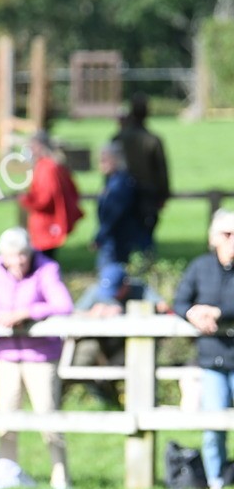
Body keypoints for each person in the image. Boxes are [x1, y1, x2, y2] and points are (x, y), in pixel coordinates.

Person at [0, 227, 75, 489]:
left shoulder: (46, 268)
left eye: (22, 256)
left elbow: (63, 305)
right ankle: (7, 474)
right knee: (6, 419)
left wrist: (27, 312)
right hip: (7, 355)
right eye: (11, 257)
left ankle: (60, 477)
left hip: (40, 356)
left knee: (47, 417)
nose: (17, 262)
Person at [173, 208, 234, 489]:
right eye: (227, 234)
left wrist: (219, 313)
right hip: (211, 359)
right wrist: (193, 314)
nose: (232, 240)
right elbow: (180, 301)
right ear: (214, 238)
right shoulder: (200, 267)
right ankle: (216, 482)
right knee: (213, 425)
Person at [71, 262, 170, 407]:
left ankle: (137, 406)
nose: (113, 295)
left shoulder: (139, 288)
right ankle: (108, 403)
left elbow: (163, 307)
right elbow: (73, 314)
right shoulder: (97, 290)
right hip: (103, 343)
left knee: (136, 367)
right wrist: (93, 314)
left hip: (130, 344)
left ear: (126, 284)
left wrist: (124, 314)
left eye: (116, 290)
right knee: (83, 364)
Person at [113, 93, 170, 254]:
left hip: (123, 197)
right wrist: (163, 195)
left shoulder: (119, 138)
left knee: (125, 241)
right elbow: (161, 172)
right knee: (145, 242)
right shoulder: (153, 140)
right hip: (147, 198)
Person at [18, 130, 83, 260]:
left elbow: (45, 198)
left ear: (39, 146)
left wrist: (26, 199)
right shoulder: (54, 165)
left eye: (32, 147)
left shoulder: (47, 167)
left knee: (44, 262)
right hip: (49, 222)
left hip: (46, 224)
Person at [93, 142, 149, 271]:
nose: (101, 164)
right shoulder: (112, 181)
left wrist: (100, 236)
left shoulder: (121, 184)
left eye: (105, 160)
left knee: (110, 274)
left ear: (116, 160)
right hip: (113, 238)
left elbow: (114, 213)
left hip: (118, 239)